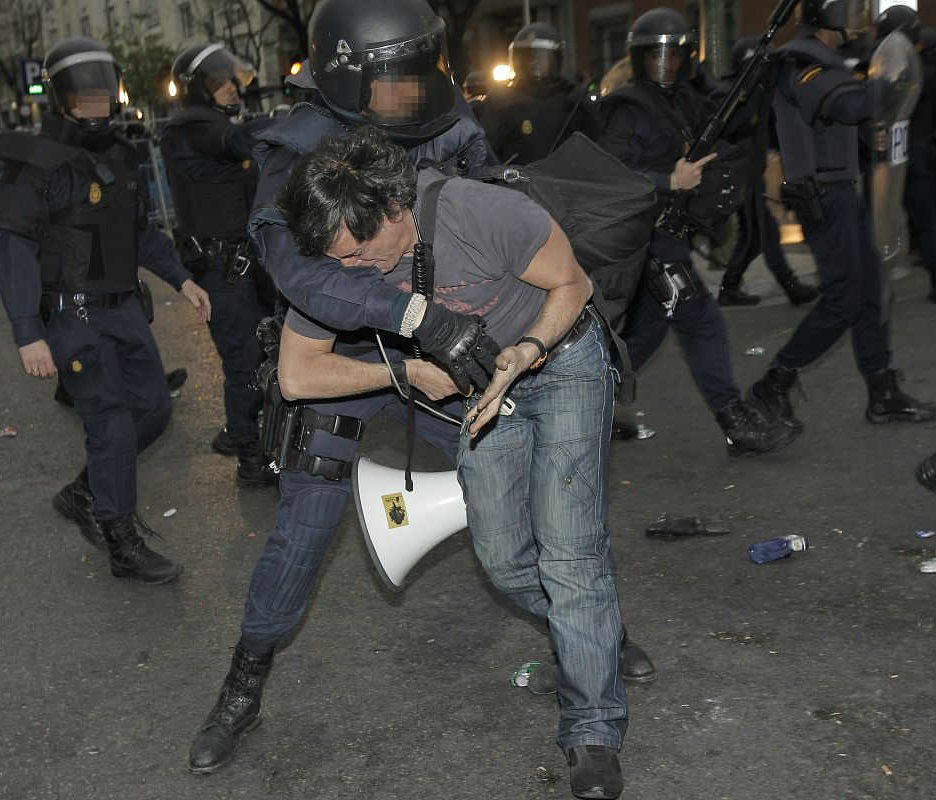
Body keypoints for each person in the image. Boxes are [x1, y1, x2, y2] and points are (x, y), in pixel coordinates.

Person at [187, 2, 652, 788]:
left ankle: (586, 641)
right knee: (304, 529)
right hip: (348, 361)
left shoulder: (441, 120)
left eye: (416, 74)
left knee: (514, 517)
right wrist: (416, 322)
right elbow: (300, 275)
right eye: (391, 79)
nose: (408, 94)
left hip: (459, 360)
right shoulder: (295, 146)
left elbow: (488, 213)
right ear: (346, 74)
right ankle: (243, 685)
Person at [282, 124, 631, 798]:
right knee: (501, 558)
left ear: (393, 210)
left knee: (569, 553)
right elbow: (298, 377)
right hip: (480, 396)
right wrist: (406, 373)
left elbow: (573, 285)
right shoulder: (341, 261)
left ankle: (592, 727)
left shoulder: (482, 212)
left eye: (358, 252)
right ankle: (594, 629)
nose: (348, 270)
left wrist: (523, 352)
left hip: (560, 365)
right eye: (336, 258)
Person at [0, 37, 211, 584]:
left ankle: (86, 491)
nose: (94, 106)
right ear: (63, 100)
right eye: (82, 97)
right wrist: (27, 332)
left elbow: (139, 235)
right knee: (110, 422)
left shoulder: (124, 156)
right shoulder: (42, 165)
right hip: (70, 318)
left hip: (123, 310)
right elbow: (11, 246)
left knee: (153, 411)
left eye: (101, 95)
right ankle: (121, 540)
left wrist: (181, 279)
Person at [596, 8, 798, 456]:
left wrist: (757, 73)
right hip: (646, 237)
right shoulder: (626, 108)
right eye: (654, 56)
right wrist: (670, 180)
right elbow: (610, 176)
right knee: (700, 317)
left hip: (673, 233)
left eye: (673, 55)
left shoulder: (686, 98)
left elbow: (730, 119)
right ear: (637, 57)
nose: (664, 65)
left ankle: (586, 403)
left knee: (647, 331)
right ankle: (734, 421)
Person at [748, 0, 936, 430]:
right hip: (824, 198)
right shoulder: (802, 63)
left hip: (842, 192)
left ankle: (882, 392)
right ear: (826, 15)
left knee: (873, 291)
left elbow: (845, 123)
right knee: (843, 301)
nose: (858, 20)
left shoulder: (830, 62)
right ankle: (775, 382)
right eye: (849, 11)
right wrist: (889, 81)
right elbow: (847, 106)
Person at [161, 43, 279, 487]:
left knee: (276, 346)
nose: (232, 88)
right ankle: (249, 455)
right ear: (198, 90)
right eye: (220, 82)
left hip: (253, 260)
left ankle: (258, 431)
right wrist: (300, 118)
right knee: (244, 361)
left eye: (233, 80)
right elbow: (234, 141)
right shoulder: (191, 130)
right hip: (221, 268)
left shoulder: (217, 125)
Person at [715, 36, 820, 308]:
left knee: (761, 233)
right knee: (758, 234)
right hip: (741, 176)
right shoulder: (733, 95)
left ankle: (745, 285)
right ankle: (748, 285)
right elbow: (730, 127)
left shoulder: (758, 94)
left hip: (752, 174)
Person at [874, 6, 936, 304]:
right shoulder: (924, 69)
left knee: (879, 219)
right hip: (917, 149)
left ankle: (882, 284)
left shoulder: (887, 70)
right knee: (925, 219)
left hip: (894, 152)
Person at [478, 22, 595, 164]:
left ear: (556, 59)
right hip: (516, 184)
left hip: (567, 182)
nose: (535, 62)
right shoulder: (500, 102)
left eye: (542, 57)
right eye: (528, 57)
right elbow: (483, 153)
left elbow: (596, 153)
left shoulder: (574, 100)